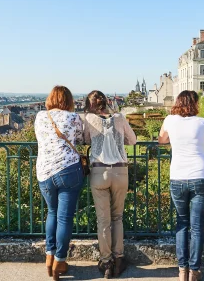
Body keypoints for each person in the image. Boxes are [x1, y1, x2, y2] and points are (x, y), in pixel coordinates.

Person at [158, 90, 204, 281]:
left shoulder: (169, 120)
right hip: (200, 175)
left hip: (178, 176)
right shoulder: (203, 122)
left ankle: (182, 270)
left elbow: (162, 140)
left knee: (181, 224)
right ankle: (194, 270)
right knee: (197, 226)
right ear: (195, 104)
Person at [82, 90, 137, 279]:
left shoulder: (88, 118)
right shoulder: (120, 118)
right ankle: (119, 258)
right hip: (120, 171)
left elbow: (86, 140)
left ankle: (106, 262)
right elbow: (133, 140)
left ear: (89, 104)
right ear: (106, 102)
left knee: (103, 220)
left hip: (99, 171)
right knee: (117, 217)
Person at [36, 85, 84, 281]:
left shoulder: (40, 117)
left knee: (52, 213)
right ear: (69, 101)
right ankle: (59, 261)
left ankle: (49, 256)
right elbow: (80, 139)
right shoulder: (73, 118)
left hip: (44, 172)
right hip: (68, 170)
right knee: (65, 218)